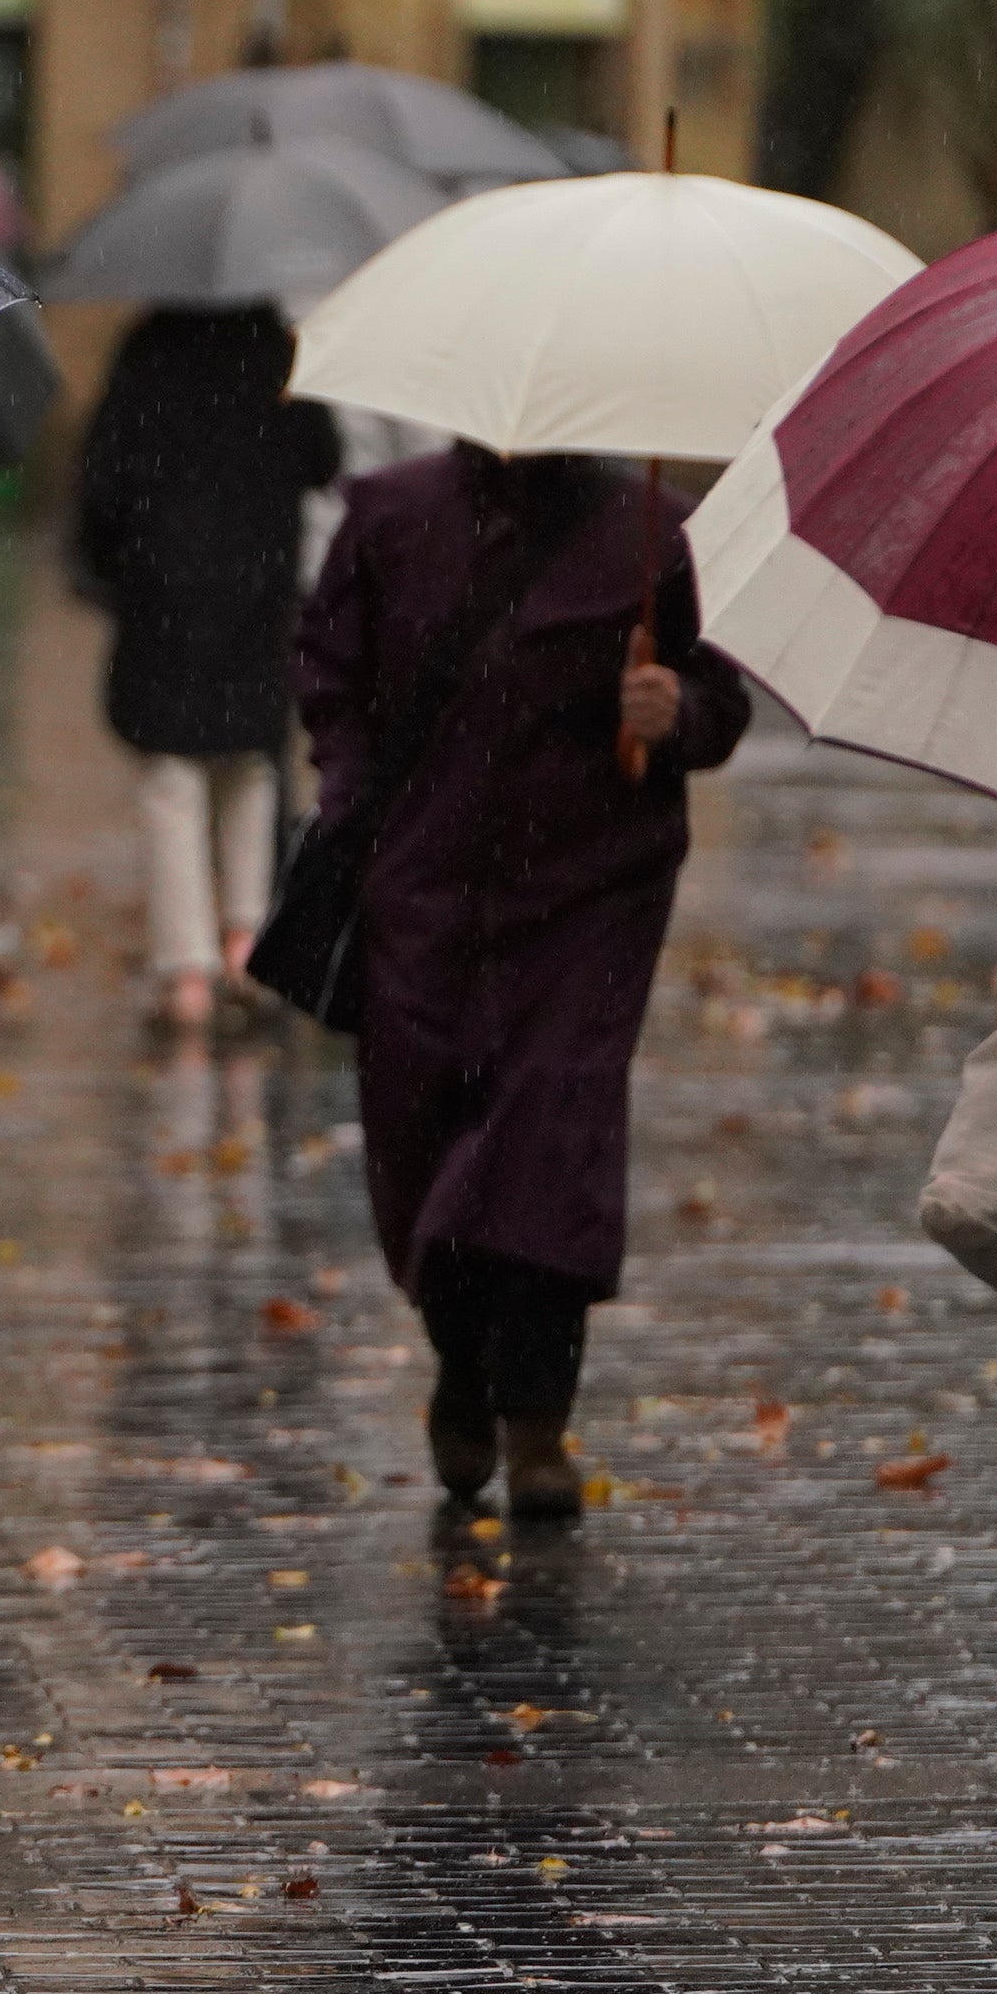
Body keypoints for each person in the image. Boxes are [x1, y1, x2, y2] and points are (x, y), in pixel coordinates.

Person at [294, 445, 748, 1519]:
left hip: (589, 896)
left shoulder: (653, 533)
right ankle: (460, 1356)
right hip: (423, 891)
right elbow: (330, 676)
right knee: (424, 1138)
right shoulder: (387, 513)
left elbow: (721, 702)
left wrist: (671, 711)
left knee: (551, 1144)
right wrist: (358, 804)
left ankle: (538, 1415)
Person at [73, 307, 342, 1029]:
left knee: (173, 777)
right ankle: (248, 941)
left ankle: (186, 972)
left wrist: (114, 566)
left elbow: (103, 482)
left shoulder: (148, 348)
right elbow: (321, 455)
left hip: (164, 592)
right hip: (258, 586)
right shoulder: (276, 346)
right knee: (251, 762)